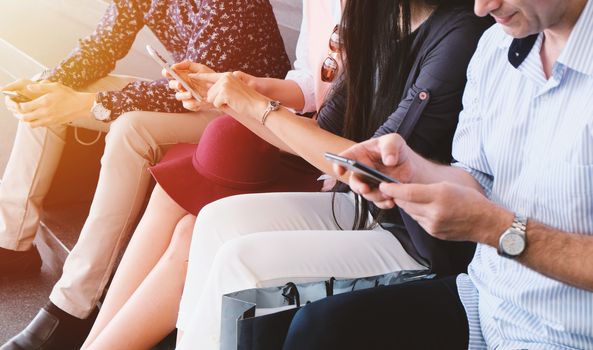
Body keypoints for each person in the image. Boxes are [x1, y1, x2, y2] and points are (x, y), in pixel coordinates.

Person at [173, 1, 492, 348]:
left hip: (419, 237)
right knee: (218, 220)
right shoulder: (379, 17)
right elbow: (319, 135)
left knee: (243, 261)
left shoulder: (461, 34)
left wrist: (254, 104)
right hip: (367, 209)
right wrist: (228, 101)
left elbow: (372, 166)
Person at [280, 0, 593, 348]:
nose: (481, 7)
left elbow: (488, 218)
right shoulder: (494, 47)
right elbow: (477, 176)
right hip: (484, 304)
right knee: (319, 330)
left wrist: (493, 227)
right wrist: (414, 172)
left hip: (569, 336)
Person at [0, 1, 290, 349]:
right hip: (188, 97)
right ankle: (12, 240)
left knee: (131, 128)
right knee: (46, 93)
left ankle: (73, 304)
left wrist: (81, 104)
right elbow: (104, 44)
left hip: (249, 118)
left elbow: (201, 88)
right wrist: (53, 86)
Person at [78, 2, 342, 349]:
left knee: (193, 220)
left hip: (323, 155)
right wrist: (248, 86)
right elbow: (313, 82)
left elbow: (351, 133)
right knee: (175, 194)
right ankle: (91, 334)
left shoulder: (383, 17)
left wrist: (250, 102)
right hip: (289, 129)